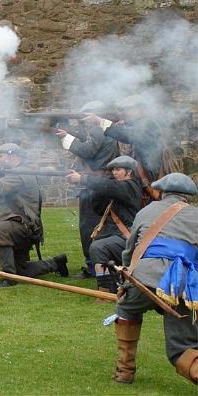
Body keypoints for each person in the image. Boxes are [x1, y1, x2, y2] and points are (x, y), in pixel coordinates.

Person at [111, 173, 198, 385]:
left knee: (126, 311)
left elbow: (130, 252)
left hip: (143, 281)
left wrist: (125, 285)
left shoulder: (146, 211)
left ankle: (125, 371)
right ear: (189, 196)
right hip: (181, 286)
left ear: (162, 192)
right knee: (182, 347)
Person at [0, 143, 68, 287]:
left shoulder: (19, 173)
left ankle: (9, 276)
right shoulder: (18, 171)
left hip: (24, 227)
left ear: (13, 156)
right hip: (23, 225)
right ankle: (55, 263)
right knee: (21, 270)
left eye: (1, 156)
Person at [55, 100, 119, 279]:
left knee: (90, 226)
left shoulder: (98, 130)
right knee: (95, 226)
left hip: (95, 185)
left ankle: (94, 266)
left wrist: (65, 138)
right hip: (97, 184)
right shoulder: (103, 131)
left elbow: (88, 150)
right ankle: (100, 264)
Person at [66, 155, 141, 295]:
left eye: (118, 169)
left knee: (98, 247)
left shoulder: (130, 185)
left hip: (127, 236)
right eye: (113, 170)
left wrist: (83, 179)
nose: (114, 172)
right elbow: (99, 208)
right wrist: (97, 190)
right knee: (98, 243)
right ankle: (113, 285)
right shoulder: (116, 188)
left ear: (129, 172)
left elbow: (109, 186)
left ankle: (105, 293)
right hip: (115, 233)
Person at [85, 95, 167, 205]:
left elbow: (128, 135)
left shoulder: (147, 123)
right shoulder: (140, 123)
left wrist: (101, 121)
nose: (126, 112)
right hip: (144, 180)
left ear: (141, 109)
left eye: (130, 109)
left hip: (149, 179)